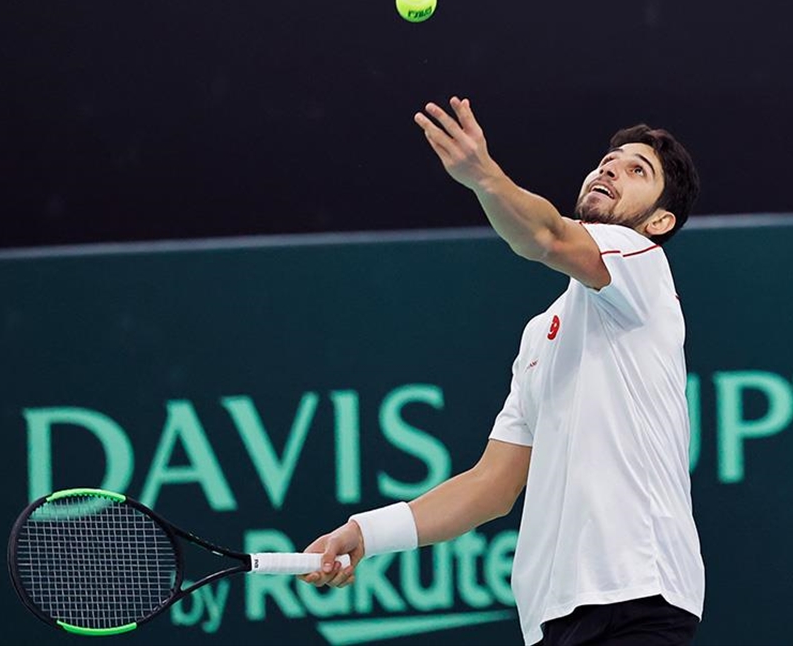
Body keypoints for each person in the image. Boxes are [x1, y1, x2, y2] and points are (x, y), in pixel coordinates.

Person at [301, 96, 704, 646]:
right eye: (609, 158)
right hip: (553, 619)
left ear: (660, 220)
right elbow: (491, 487)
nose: (610, 167)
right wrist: (366, 533)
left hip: (638, 599)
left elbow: (544, 237)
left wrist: (482, 176)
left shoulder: (642, 261)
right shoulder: (542, 333)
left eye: (638, 170)